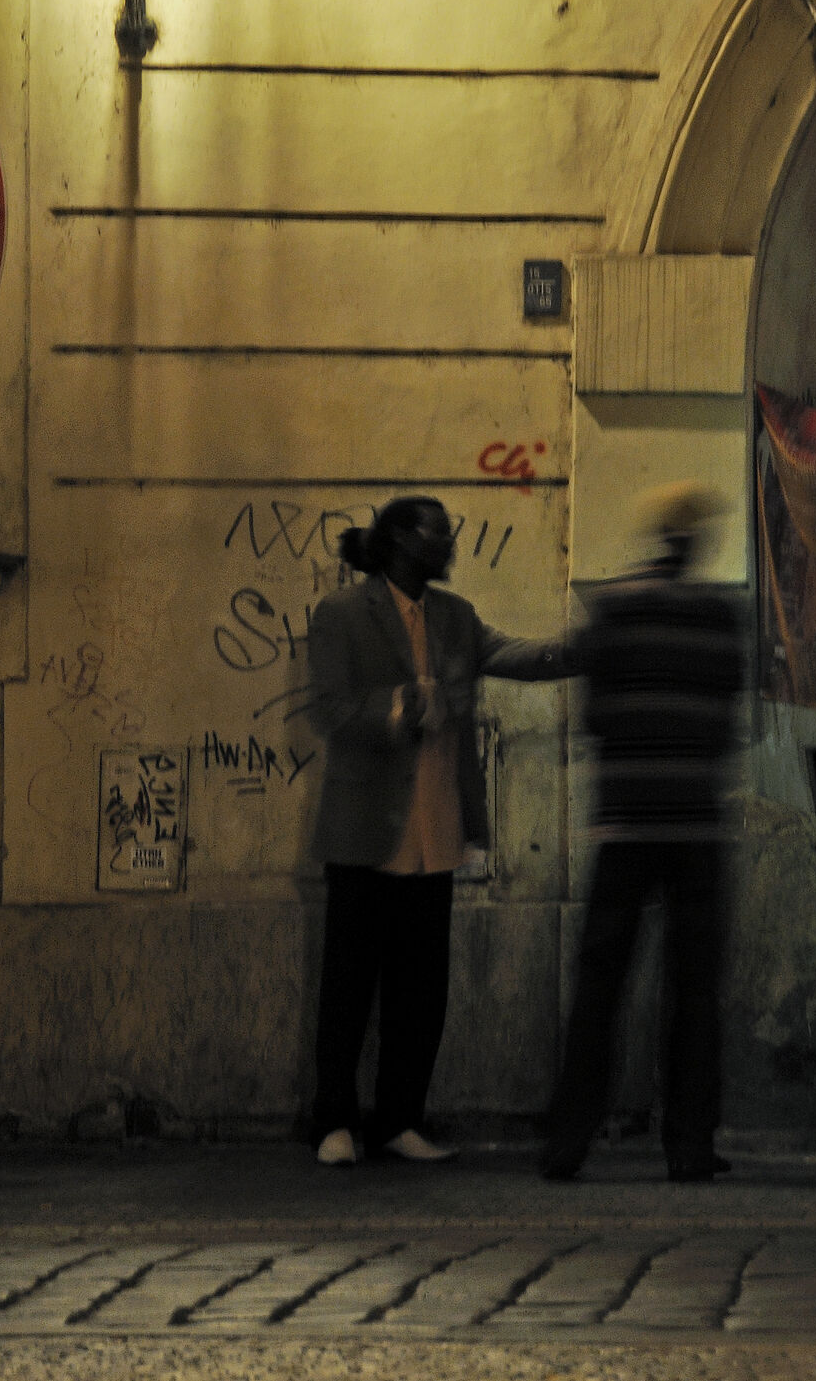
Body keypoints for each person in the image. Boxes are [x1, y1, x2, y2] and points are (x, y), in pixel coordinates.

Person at [304, 495, 575, 1167]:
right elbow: (331, 708)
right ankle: (333, 1121)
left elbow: (511, 653)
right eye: (437, 533)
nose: (449, 544)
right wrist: (406, 706)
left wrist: (583, 651)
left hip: (437, 829)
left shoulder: (455, 616)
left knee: (421, 990)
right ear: (398, 539)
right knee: (347, 985)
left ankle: (400, 1119)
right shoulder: (341, 613)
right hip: (365, 831)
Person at [540, 484, 747, 1183]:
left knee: (601, 983)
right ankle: (688, 1143)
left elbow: (594, 714)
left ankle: (567, 1140)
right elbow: (725, 723)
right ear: (698, 544)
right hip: (693, 824)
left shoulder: (615, 609)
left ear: (657, 536)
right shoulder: (720, 617)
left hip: (625, 821)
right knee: (693, 990)